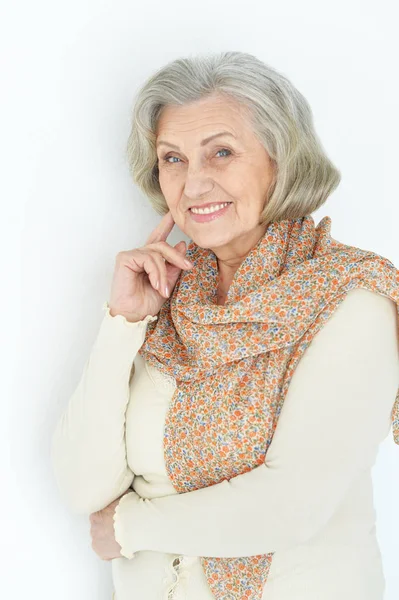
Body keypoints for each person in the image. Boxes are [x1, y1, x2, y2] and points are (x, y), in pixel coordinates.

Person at [51, 51, 399, 600]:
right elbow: (83, 486)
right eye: (173, 159)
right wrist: (122, 323)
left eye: (222, 152)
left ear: (281, 160)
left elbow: (292, 505)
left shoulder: (350, 298)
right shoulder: (169, 296)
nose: (193, 185)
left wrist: (128, 526)